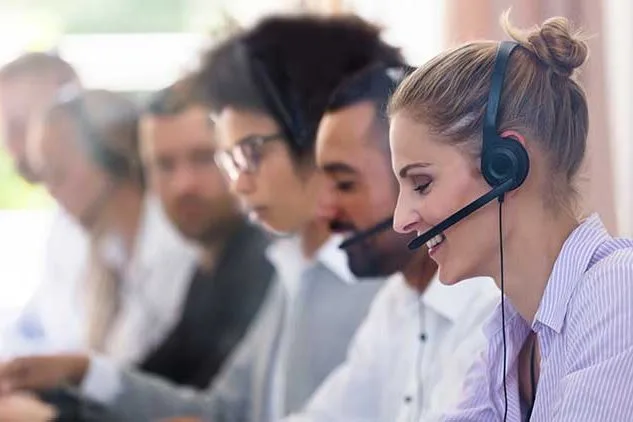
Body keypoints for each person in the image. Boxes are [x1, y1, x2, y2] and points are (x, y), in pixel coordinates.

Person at [0, 14, 397, 422]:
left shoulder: (369, 284)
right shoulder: (294, 267)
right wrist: (85, 371)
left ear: (316, 139)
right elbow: (222, 411)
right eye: (231, 159)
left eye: (252, 153)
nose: (239, 185)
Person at [389, 13, 633, 421]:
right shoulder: (509, 338)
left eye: (422, 183)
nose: (400, 220)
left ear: (506, 166)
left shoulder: (619, 293)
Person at [283, 64, 498, 422]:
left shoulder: (492, 312)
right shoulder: (395, 303)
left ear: (415, 180)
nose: (323, 210)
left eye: (345, 184)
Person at [25, 88, 197, 369]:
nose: (52, 191)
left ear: (109, 160)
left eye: (58, 172)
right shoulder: (108, 253)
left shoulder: (175, 246)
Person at [137, 79, 274, 388]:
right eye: (164, 165)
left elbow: (210, 405)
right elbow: (159, 375)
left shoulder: (267, 265)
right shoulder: (208, 263)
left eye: (203, 158)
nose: (184, 185)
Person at [0, 53, 88, 357]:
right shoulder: (63, 223)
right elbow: (31, 326)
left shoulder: (109, 223)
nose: (9, 145)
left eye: (18, 126)